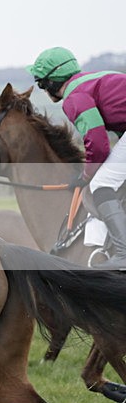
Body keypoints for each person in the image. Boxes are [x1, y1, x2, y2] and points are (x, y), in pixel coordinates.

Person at [28, 46, 126, 269]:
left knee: (101, 184)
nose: (43, 90)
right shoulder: (95, 80)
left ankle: (123, 253)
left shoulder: (74, 97)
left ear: (51, 82)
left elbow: (98, 143)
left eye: (41, 84)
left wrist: (86, 176)